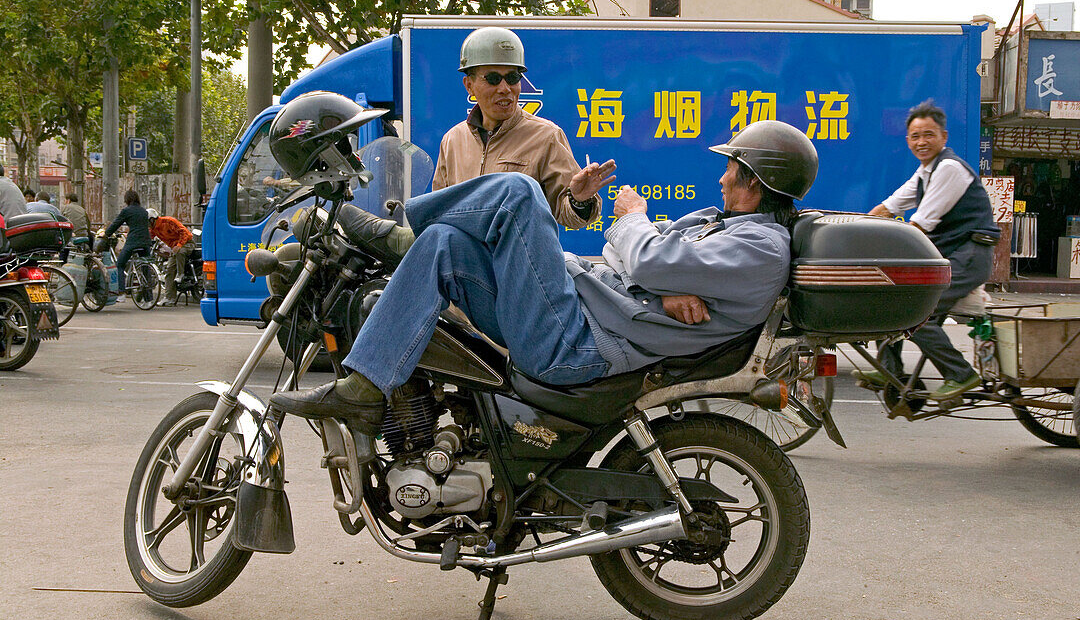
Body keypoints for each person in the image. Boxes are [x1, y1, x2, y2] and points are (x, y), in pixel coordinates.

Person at [266, 93, 816, 430]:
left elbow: (643, 253)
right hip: (576, 311)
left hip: (577, 344)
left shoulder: (759, 248)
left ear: (756, 180)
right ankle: (367, 383)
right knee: (445, 248)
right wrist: (661, 283)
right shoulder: (724, 228)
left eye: (732, 169)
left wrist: (634, 221)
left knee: (521, 193)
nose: (722, 177)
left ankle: (399, 230)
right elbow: (629, 259)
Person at [860, 99, 999, 401]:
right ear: (908, 140)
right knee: (895, 300)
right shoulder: (925, 172)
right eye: (915, 136)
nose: (921, 142)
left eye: (928, 135)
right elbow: (889, 206)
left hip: (970, 255)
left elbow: (921, 225)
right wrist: (857, 229)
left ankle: (961, 375)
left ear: (943, 138)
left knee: (917, 313)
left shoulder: (949, 168)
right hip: (951, 256)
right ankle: (890, 370)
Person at [432, 27, 616, 230]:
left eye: (512, 78)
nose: (504, 88)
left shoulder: (546, 136)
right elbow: (439, 210)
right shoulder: (453, 140)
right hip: (465, 259)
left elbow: (568, 216)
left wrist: (579, 200)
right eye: (493, 79)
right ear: (469, 85)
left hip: (519, 259)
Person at [103, 189, 153, 298]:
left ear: (127, 199)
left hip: (133, 241)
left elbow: (116, 224)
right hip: (146, 242)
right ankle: (149, 298)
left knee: (120, 264)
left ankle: (121, 292)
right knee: (145, 268)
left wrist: (106, 234)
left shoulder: (127, 211)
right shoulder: (144, 211)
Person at [147, 209, 194, 305]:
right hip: (174, 249)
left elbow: (184, 232)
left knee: (180, 251)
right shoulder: (153, 229)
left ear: (152, 220)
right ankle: (169, 298)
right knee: (169, 270)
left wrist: (179, 245)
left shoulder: (169, 221)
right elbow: (149, 238)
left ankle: (180, 274)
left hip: (187, 244)